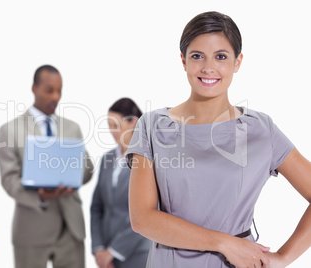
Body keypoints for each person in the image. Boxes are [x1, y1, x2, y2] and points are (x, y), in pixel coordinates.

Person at [126, 11, 311, 268]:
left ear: (238, 62)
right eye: (197, 56)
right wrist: (224, 243)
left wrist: (282, 258)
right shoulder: (152, 125)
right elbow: (142, 218)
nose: (208, 68)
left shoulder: (261, 129)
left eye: (221, 57)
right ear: (183, 61)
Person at [0, 64, 94, 268]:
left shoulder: (72, 127)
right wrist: (40, 196)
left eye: (59, 91)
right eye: (49, 90)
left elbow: (87, 169)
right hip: (32, 229)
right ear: (34, 88)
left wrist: (75, 173)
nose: (55, 97)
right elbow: (9, 180)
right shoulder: (10, 130)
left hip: (71, 229)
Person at [91, 98, 150, 268]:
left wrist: (114, 251)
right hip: (106, 256)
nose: (112, 131)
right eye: (109, 125)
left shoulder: (148, 159)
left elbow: (147, 212)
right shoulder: (107, 159)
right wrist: (100, 249)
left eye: (116, 125)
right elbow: (97, 208)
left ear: (134, 122)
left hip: (138, 253)